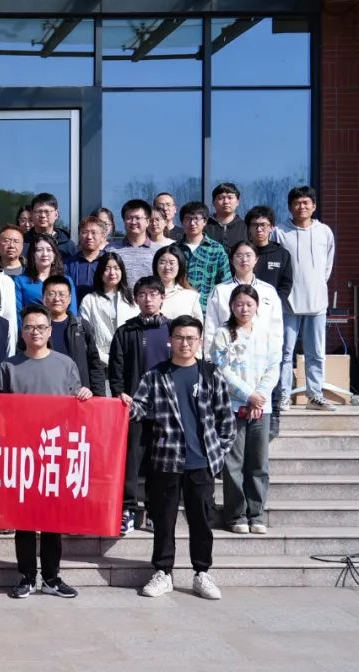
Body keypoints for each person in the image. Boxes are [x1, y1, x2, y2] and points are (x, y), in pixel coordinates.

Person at [130, 315, 235, 601]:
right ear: (170, 340)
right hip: (166, 460)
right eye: (179, 337)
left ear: (199, 341)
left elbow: (226, 418)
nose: (184, 343)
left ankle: (202, 573)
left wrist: (217, 453)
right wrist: (125, 404)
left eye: (190, 338)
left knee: (201, 522)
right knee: (163, 521)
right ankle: (163, 572)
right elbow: (138, 409)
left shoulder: (210, 374)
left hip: (201, 462)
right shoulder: (156, 375)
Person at [0, 304, 92, 600]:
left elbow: (78, 403)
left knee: (52, 520)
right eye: (29, 327)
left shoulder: (65, 364)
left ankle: (51, 577)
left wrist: (85, 394)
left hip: (54, 452)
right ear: (22, 332)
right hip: (21, 454)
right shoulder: (9, 366)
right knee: (24, 521)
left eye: (40, 327)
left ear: (50, 331)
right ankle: (26, 576)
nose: (35, 332)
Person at [210, 285, 280, 535]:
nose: (244, 309)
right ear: (231, 306)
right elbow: (222, 370)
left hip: (262, 407)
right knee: (234, 463)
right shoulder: (223, 333)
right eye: (239, 304)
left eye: (249, 304)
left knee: (258, 463)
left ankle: (256, 514)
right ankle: (236, 515)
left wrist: (258, 396)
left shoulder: (266, 333)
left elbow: (274, 367)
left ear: (257, 306)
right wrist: (247, 395)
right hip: (233, 406)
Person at [111, 276, 173, 536]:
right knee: (131, 461)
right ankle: (127, 509)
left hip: (166, 408)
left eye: (153, 294)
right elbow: (116, 368)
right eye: (143, 295)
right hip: (134, 407)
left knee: (160, 463)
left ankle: (154, 511)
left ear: (162, 298)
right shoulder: (126, 331)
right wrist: (120, 393)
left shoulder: (174, 329)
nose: (148, 299)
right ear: (136, 299)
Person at [274, 186, 337, 412]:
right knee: (284, 352)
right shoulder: (279, 232)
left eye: (306, 202)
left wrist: (317, 285)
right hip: (287, 304)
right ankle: (283, 395)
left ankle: (315, 395)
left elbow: (327, 266)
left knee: (316, 352)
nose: (302, 207)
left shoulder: (325, 232)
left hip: (317, 302)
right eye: (297, 203)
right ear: (290, 207)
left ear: (314, 206)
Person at [246, 205, 293, 438]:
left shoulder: (281, 254)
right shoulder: (243, 252)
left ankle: (273, 414)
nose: (259, 229)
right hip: (243, 318)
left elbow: (286, 284)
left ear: (271, 227)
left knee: (272, 364)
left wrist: (272, 305)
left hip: (270, 319)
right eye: (255, 225)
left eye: (263, 225)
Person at [204, 240, 283, 357]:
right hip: (228, 355)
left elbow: (276, 327)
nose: (244, 259)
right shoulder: (220, 290)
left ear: (256, 259)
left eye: (248, 255)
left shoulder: (268, 290)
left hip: (260, 355)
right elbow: (211, 326)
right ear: (232, 260)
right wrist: (210, 358)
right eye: (239, 256)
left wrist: (275, 356)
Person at [41, 275, 106, 397]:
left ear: (70, 298)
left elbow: (94, 363)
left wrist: (98, 396)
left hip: (80, 396)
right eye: (51, 294)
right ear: (43, 298)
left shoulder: (81, 326)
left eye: (62, 294)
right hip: (47, 395)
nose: (57, 298)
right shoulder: (36, 328)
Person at [78, 251, 137, 371]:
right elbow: (85, 335)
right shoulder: (89, 300)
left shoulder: (132, 298)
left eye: (116, 268)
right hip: (100, 364)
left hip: (129, 362)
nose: (112, 273)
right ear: (100, 272)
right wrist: (105, 359)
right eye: (107, 268)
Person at [176, 201, 230, 310]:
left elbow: (225, 282)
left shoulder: (216, 249)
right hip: (179, 308)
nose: (192, 223)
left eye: (197, 219)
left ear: (205, 221)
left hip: (207, 309)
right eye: (188, 219)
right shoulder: (174, 249)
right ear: (182, 222)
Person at [14, 235, 78, 318]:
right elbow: (18, 313)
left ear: (54, 254)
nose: (44, 254)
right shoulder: (20, 281)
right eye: (39, 250)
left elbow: (72, 311)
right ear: (33, 254)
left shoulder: (66, 280)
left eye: (49, 250)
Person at [112, 199, 156, 290]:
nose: (133, 222)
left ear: (147, 222)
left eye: (138, 218)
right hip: (119, 298)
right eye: (129, 218)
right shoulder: (111, 250)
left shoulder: (158, 251)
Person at [64, 216, 109, 303]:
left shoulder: (108, 262)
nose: (89, 237)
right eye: (85, 232)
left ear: (103, 237)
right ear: (79, 235)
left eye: (94, 233)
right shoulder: (67, 264)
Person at [154, 245, 204, 322]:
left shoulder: (191, 296)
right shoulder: (147, 294)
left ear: (180, 266)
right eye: (162, 262)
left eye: (172, 263)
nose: (167, 267)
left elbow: (199, 325)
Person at [23, 193, 77, 258]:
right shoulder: (23, 242)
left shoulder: (68, 246)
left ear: (56, 214)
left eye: (47, 212)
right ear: (32, 214)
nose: (43, 216)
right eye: (39, 211)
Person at [205, 182, 247, 251]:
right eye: (221, 198)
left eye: (230, 198)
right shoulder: (204, 226)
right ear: (213, 203)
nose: (226, 202)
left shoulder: (246, 227)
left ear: (237, 202)